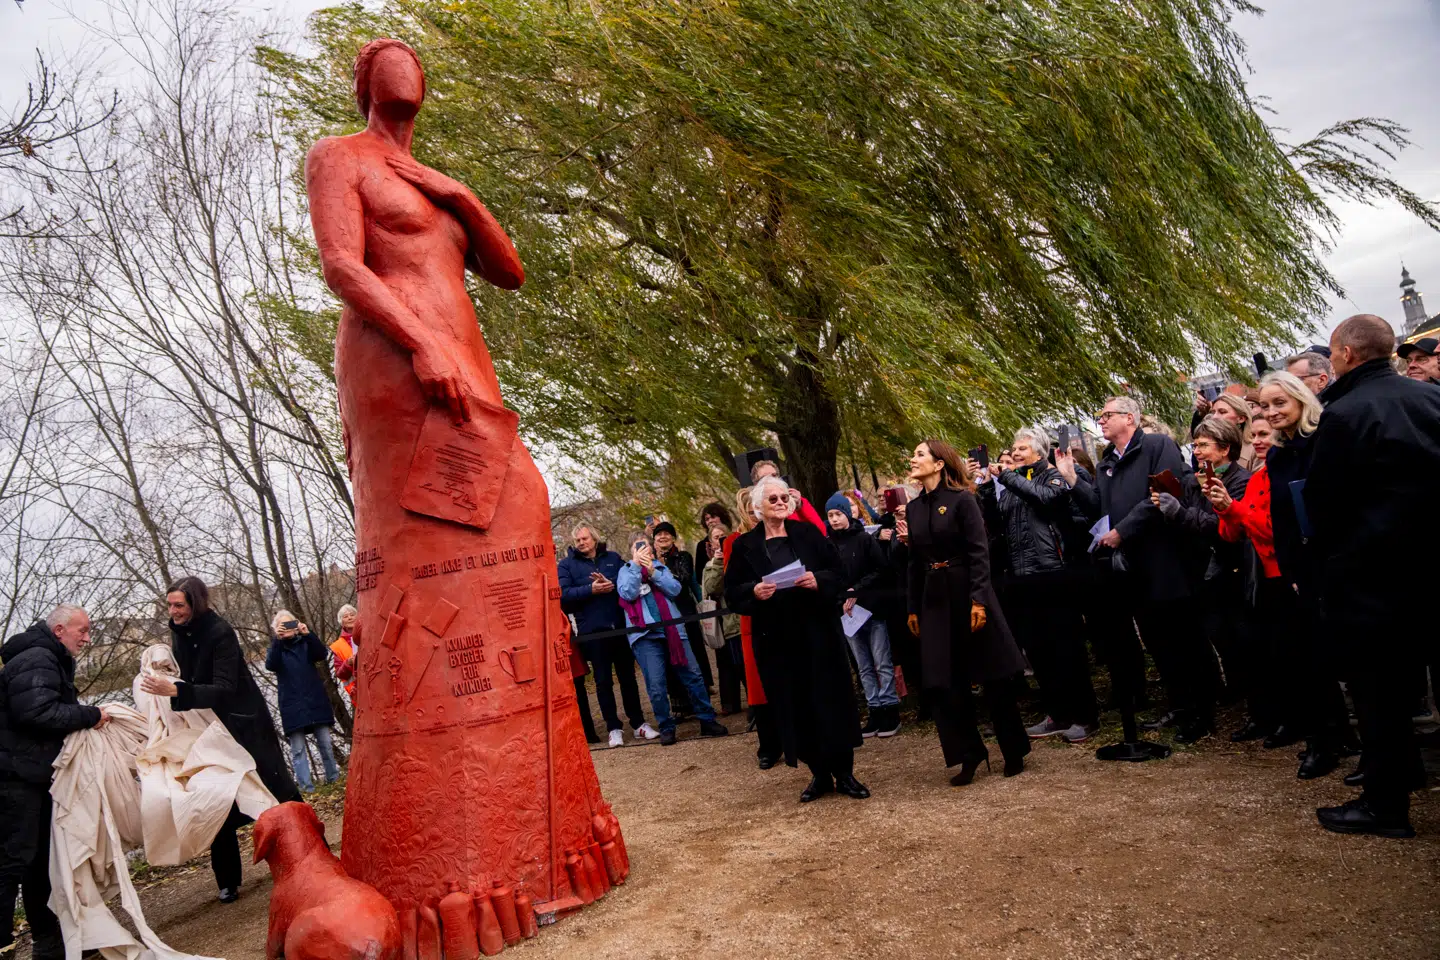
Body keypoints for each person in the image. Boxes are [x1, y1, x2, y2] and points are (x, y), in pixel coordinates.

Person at [1307, 314, 1440, 837]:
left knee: (1379, 692)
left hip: (1373, 575)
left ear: (1344, 353)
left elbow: (1324, 502)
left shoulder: (1343, 414)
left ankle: (1385, 805)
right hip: (1431, 564)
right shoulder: (1431, 399)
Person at [139, 577, 299, 903]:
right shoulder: (178, 632)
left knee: (276, 789)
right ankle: (227, 881)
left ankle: (310, 853)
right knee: (214, 797)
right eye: (170, 605)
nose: (173, 611)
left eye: (179, 605)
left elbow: (224, 688)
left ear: (195, 603)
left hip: (245, 724)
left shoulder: (220, 632)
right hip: (208, 729)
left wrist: (177, 692)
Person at [1068, 397, 1213, 742]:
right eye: (1099, 415)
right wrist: (1072, 480)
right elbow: (1098, 508)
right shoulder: (1106, 464)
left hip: (1165, 557)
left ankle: (1203, 712)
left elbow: (1162, 494)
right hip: (1130, 567)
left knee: (1184, 636)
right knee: (1156, 637)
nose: (1100, 421)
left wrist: (1123, 530)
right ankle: (1178, 705)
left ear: (1129, 418)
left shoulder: (1157, 445)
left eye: (1106, 415)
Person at [725, 477, 868, 802]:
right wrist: (753, 591)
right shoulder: (744, 546)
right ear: (758, 507)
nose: (779, 502)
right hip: (776, 641)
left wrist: (817, 580)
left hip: (818, 634)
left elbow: (838, 571)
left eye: (782, 497)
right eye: (772, 498)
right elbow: (733, 593)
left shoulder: (807, 534)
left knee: (830, 701)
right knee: (795, 705)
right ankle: (818, 774)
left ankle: (844, 773)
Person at [899, 439, 1030, 784]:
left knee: (994, 675)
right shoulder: (913, 509)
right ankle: (969, 754)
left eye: (919, 454)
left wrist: (979, 600)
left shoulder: (963, 500)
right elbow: (913, 563)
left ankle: (1013, 749)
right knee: (945, 682)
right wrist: (913, 607)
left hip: (968, 591)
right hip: (934, 599)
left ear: (940, 464)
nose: (913, 459)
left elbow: (979, 553)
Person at [1250, 372, 1351, 779]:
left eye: (1280, 404)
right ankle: (1323, 740)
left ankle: (1340, 741)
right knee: (1309, 659)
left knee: (1339, 660)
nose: (1272, 412)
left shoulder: (1325, 438)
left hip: (1336, 560)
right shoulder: (1277, 453)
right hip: (1299, 569)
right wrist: (1291, 569)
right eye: (1265, 405)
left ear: (1300, 400)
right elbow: (1283, 518)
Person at [1, 606, 109, 960]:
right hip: (15, 778)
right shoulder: (37, 658)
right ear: (60, 629)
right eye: (83, 630)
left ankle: (52, 945)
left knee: (42, 864)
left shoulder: (48, 657)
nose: (87, 637)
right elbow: (38, 712)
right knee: (12, 864)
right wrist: (91, 715)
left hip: (34, 775)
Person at [977, 428, 1098, 743]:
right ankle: (1057, 714)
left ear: (1040, 452)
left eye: (1021, 448)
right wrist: (989, 487)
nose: (1015, 453)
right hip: (1021, 578)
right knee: (1039, 651)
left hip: (1053, 574)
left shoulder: (1050, 476)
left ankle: (1085, 717)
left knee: (1067, 649)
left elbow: (1047, 499)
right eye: (1013, 448)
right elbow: (996, 520)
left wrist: (1009, 477)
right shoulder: (1015, 482)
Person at [1149, 416, 1252, 740]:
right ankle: (1237, 704)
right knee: (1216, 640)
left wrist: (1179, 512)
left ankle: (1263, 709)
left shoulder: (1239, 480)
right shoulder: (1195, 481)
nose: (1197, 451)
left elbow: (1223, 529)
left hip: (1232, 572)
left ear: (1225, 448)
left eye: (1204, 445)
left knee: (1242, 642)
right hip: (1201, 573)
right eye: (1195, 445)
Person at [1208, 415, 1286, 743]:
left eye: (1265, 434)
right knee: (1263, 653)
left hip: (1283, 576)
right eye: (1254, 435)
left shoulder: (1278, 477)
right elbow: (1231, 533)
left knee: (1290, 658)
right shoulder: (1257, 478)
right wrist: (1224, 509)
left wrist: (1233, 510)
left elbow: (1273, 531)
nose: (1258, 441)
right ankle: (1277, 718)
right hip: (1259, 579)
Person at [616, 538, 729, 746]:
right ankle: (666, 726)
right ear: (631, 553)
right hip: (645, 636)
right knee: (656, 685)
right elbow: (627, 593)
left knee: (693, 676)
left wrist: (652, 572)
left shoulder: (660, 568)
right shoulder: (625, 571)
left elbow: (675, 589)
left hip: (673, 630)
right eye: (637, 549)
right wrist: (635, 567)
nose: (643, 553)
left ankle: (707, 719)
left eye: (645, 548)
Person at [557, 524, 655, 747]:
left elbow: (628, 581)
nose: (581, 542)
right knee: (603, 683)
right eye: (578, 540)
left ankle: (638, 723)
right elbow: (563, 596)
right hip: (592, 633)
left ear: (594, 537)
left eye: (585, 538)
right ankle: (613, 728)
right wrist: (590, 589)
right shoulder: (567, 566)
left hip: (619, 628)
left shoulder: (612, 557)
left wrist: (612, 584)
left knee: (628, 678)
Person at [825, 492, 900, 737]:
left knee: (882, 661)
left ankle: (890, 707)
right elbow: (829, 577)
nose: (834, 520)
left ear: (847, 513)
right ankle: (874, 708)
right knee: (863, 665)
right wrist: (842, 596)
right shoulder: (828, 545)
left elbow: (881, 570)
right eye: (830, 515)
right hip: (846, 614)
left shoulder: (864, 539)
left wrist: (856, 590)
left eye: (838, 514)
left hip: (871, 608)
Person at [725, 486, 782, 767]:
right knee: (759, 685)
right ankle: (769, 743)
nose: (755, 516)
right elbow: (731, 585)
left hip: (785, 613)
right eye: (750, 512)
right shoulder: (735, 542)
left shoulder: (783, 533)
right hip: (752, 619)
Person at [264, 611, 341, 793]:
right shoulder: (276, 649)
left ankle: (333, 779)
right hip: (292, 705)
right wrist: (278, 640)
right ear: (277, 629)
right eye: (283, 625)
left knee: (325, 743)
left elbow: (321, 654)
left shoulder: (306, 643)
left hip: (315, 700)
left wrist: (309, 634)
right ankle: (307, 788)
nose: (288, 628)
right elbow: (271, 665)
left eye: (291, 624)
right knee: (298, 750)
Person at [651, 522, 715, 694]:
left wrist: (662, 569)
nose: (663, 536)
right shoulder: (650, 560)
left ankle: (704, 686)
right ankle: (681, 699)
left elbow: (684, 579)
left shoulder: (684, 556)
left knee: (695, 648)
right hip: (663, 611)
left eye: (667, 533)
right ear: (654, 539)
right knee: (672, 653)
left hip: (685, 609)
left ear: (673, 537)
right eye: (659, 534)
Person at [701, 521, 746, 715]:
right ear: (710, 543)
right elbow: (712, 588)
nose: (719, 540)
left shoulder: (740, 555)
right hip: (729, 625)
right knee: (738, 665)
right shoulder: (710, 566)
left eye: (722, 536)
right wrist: (719, 562)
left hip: (745, 616)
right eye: (715, 538)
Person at [749, 460, 828, 534]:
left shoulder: (793, 499)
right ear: (756, 484)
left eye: (774, 475)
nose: (771, 480)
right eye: (765, 478)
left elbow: (821, 532)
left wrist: (800, 506)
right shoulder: (751, 507)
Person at [330, 604, 359, 700]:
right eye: (346, 616)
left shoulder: (369, 634)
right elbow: (340, 674)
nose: (350, 618)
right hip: (358, 692)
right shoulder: (338, 646)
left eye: (352, 614)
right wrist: (348, 663)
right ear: (342, 622)